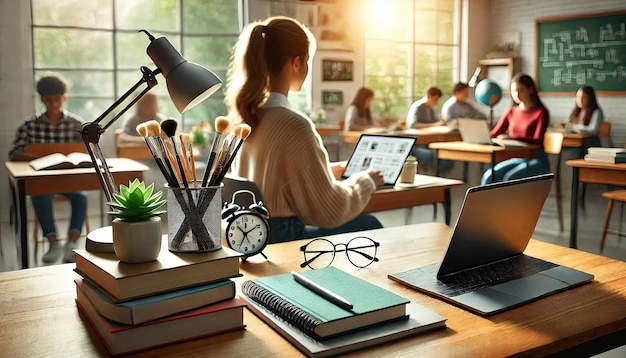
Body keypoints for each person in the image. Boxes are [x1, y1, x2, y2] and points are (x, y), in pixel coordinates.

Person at [226, 16, 384, 243]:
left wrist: (324, 172)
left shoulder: (245, 120)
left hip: (251, 237)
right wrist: (365, 180)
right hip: (284, 240)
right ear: (296, 63)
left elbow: (271, 181)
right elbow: (329, 211)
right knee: (371, 224)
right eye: (308, 60)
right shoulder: (294, 125)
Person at [9, 74, 87, 264]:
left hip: (70, 180)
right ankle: (53, 243)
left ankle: (71, 243)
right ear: (42, 99)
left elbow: (88, 150)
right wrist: (41, 158)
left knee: (81, 197)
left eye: (58, 99)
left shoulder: (77, 124)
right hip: (43, 180)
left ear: (65, 98)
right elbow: (14, 153)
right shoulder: (29, 126)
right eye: (49, 99)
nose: (53, 104)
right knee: (40, 196)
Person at [481, 73, 550, 185]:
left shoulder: (541, 112)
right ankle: (486, 203)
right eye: (513, 91)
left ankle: (507, 203)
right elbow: (495, 133)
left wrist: (512, 138)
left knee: (510, 178)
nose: (516, 94)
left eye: (521, 90)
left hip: (535, 158)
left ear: (530, 90)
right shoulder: (511, 111)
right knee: (488, 176)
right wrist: (481, 136)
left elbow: (538, 140)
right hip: (515, 158)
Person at [405, 86, 453, 173]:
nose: (436, 102)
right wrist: (435, 124)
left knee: (447, 157)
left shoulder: (431, 109)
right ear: (428, 96)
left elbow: (436, 122)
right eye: (435, 99)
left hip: (430, 142)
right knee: (430, 155)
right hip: (417, 144)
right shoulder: (418, 107)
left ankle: (439, 175)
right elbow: (413, 125)